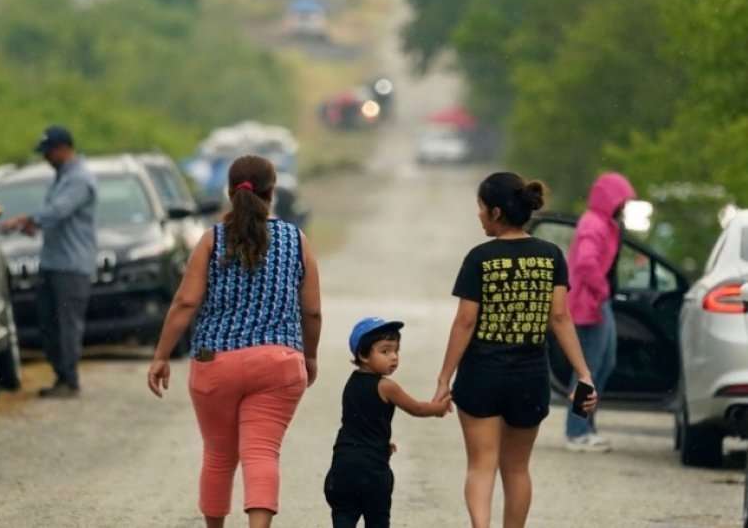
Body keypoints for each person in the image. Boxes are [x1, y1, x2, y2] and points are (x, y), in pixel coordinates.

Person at [147, 154, 322, 528]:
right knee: (262, 453)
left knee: (218, 456)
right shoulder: (296, 240)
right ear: (272, 192)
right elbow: (312, 312)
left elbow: (186, 301)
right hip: (279, 360)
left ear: (229, 193)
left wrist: (161, 355)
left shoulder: (211, 241)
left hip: (216, 362)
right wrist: (310, 357)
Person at [433, 172, 597, 528]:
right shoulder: (551, 256)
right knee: (518, 468)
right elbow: (560, 317)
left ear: (494, 212)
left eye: (479, 208)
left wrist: (445, 378)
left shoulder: (480, 258)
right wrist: (583, 374)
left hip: (481, 375)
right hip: (530, 374)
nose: (478, 215)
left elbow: (465, 322)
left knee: (481, 465)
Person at [0, 125, 97, 399]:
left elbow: (59, 210)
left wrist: (27, 220)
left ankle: (69, 379)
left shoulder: (79, 179)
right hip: (54, 262)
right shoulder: (61, 177)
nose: (46, 158)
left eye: (49, 151)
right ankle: (60, 376)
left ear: (63, 149)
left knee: (67, 325)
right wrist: (34, 224)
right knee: (49, 323)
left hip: (72, 265)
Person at [324, 317, 451, 528]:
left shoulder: (351, 382)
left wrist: (382, 442)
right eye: (385, 351)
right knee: (378, 520)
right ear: (363, 355)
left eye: (396, 351)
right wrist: (438, 409)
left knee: (344, 517)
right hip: (372, 472)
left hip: (342, 468)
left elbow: (359, 422)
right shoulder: (386, 386)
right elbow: (416, 408)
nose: (394, 357)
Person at [564, 172, 635, 452]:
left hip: (596, 302)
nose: (625, 206)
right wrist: (602, 289)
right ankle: (577, 430)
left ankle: (587, 426)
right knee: (588, 370)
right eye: (623, 200)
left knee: (605, 364)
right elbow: (585, 263)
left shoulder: (605, 223)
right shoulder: (594, 225)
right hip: (587, 304)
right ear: (611, 200)